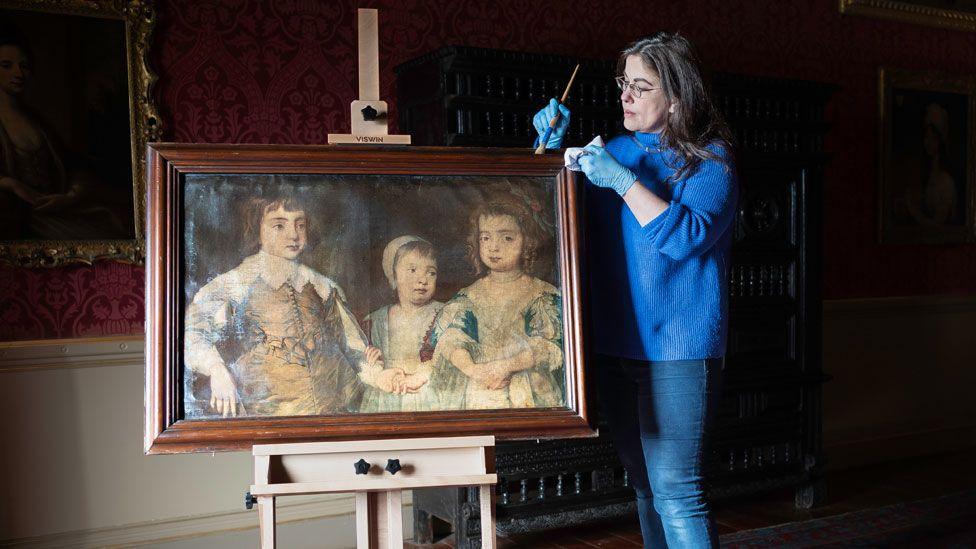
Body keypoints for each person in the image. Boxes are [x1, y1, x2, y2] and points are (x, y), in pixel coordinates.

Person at [534, 32, 737, 548]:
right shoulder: (613, 151)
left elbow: (686, 238)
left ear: (676, 96)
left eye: (641, 87)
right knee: (645, 487)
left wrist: (621, 181)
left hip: (678, 351)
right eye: (623, 84)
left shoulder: (711, 160)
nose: (625, 96)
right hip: (612, 346)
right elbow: (539, 217)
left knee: (678, 491)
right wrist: (548, 147)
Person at [183, 193, 401, 418]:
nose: (293, 235)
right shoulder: (235, 284)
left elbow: (352, 349)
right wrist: (217, 370)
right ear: (258, 229)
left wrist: (378, 375)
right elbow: (190, 334)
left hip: (331, 415)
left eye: (300, 225)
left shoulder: (323, 286)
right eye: (279, 225)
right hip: (267, 419)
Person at [430, 195, 564, 410]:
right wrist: (474, 370)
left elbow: (546, 347)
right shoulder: (469, 296)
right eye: (485, 238)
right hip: (480, 389)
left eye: (506, 238)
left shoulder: (541, 294)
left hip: (528, 388)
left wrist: (505, 367)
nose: (494, 247)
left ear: (527, 242)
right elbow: (451, 339)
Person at [0, 26, 126, 239]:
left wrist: (70, 196)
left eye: (24, 66)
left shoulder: (38, 121)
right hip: (17, 217)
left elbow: (72, 166)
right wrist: (11, 184)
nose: (18, 73)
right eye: (6, 65)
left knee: (115, 224)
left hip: (54, 209)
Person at [360, 235, 443, 413]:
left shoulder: (445, 314)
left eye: (431, 272)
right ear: (394, 277)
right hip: (385, 400)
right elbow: (360, 361)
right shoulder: (376, 320)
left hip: (427, 397)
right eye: (412, 270)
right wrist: (371, 362)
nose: (423, 280)